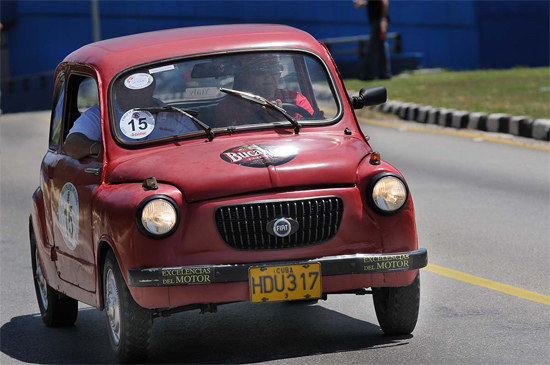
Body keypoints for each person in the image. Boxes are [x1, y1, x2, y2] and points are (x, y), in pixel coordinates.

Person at [64, 75, 197, 159]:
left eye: (131, 84)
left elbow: (194, 150)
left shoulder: (176, 117)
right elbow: (71, 144)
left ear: (150, 87)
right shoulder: (99, 115)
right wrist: (102, 149)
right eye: (118, 84)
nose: (122, 90)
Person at [215, 54, 314, 127]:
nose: (267, 77)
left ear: (280, 70)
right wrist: (263, 118)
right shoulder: (230, 107)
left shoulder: (296, 100)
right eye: (259, 70)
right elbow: (232, 144)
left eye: (273, 68)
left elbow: (312, 135)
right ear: (245, 75)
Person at [354, 0, 392, 80]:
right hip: (377, 21)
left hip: (379, 21)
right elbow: (374, 3)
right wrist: (363, 4)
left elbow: (384, 2)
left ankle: (370, 74)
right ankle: (385, 73)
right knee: (381, 47)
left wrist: (383, 19)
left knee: (372, 48)